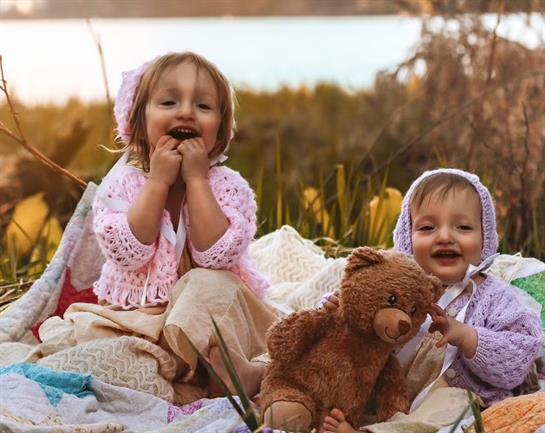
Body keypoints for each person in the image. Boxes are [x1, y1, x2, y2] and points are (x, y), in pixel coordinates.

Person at [38, 52, 277, 402]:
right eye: (168, 101)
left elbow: (216, 256)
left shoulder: (228, 186)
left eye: (203, 106)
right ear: (138, 122)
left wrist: (196, 180)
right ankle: (184, 373)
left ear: (221, 130)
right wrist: (157, 184)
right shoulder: (123, 185)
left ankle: (230, 368)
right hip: (142, 322)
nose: (185, 112)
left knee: (207, 283)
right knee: (91, 339)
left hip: (210, 324)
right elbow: (128, 253)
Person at [320, 168, 543, 433]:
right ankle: (278, 389)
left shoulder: (495, 297)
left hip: (452, 397)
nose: (445, 236)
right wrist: (339, 310)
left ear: (485, 237)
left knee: (451, 405)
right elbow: (359, 314)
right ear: (407, 238)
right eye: (427, 227)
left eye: (463, 227)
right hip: (386, 390)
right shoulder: (391, 280)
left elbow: (517, 358)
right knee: (331, 371)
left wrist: (468, 337)